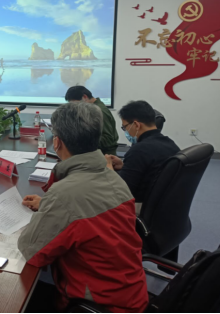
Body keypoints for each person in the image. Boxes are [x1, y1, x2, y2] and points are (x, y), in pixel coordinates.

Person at [18, 102, 148, 313]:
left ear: (57, 142)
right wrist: (50, 205)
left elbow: (32, 252)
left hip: (96, 306)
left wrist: (52, 206)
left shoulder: (64, 195)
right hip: (130, 295)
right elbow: (87, 210)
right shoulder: (114, 179)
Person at [106, 100, 180, 213]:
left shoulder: (138, 150)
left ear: (136, 125)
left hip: (141, 207)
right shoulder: (171, 144)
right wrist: (124, 166)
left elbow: (121, 192)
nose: (126, 132)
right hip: (164, 207)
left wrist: (109, 169)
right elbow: (151, 171)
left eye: (125, 127)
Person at [65, 86, 119, 156]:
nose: (76, 107)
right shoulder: (92, 109)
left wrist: (82, 142)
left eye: (76, 104)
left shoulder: (99, 111)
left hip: (104, 155)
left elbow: (108, 139)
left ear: (85, 97)